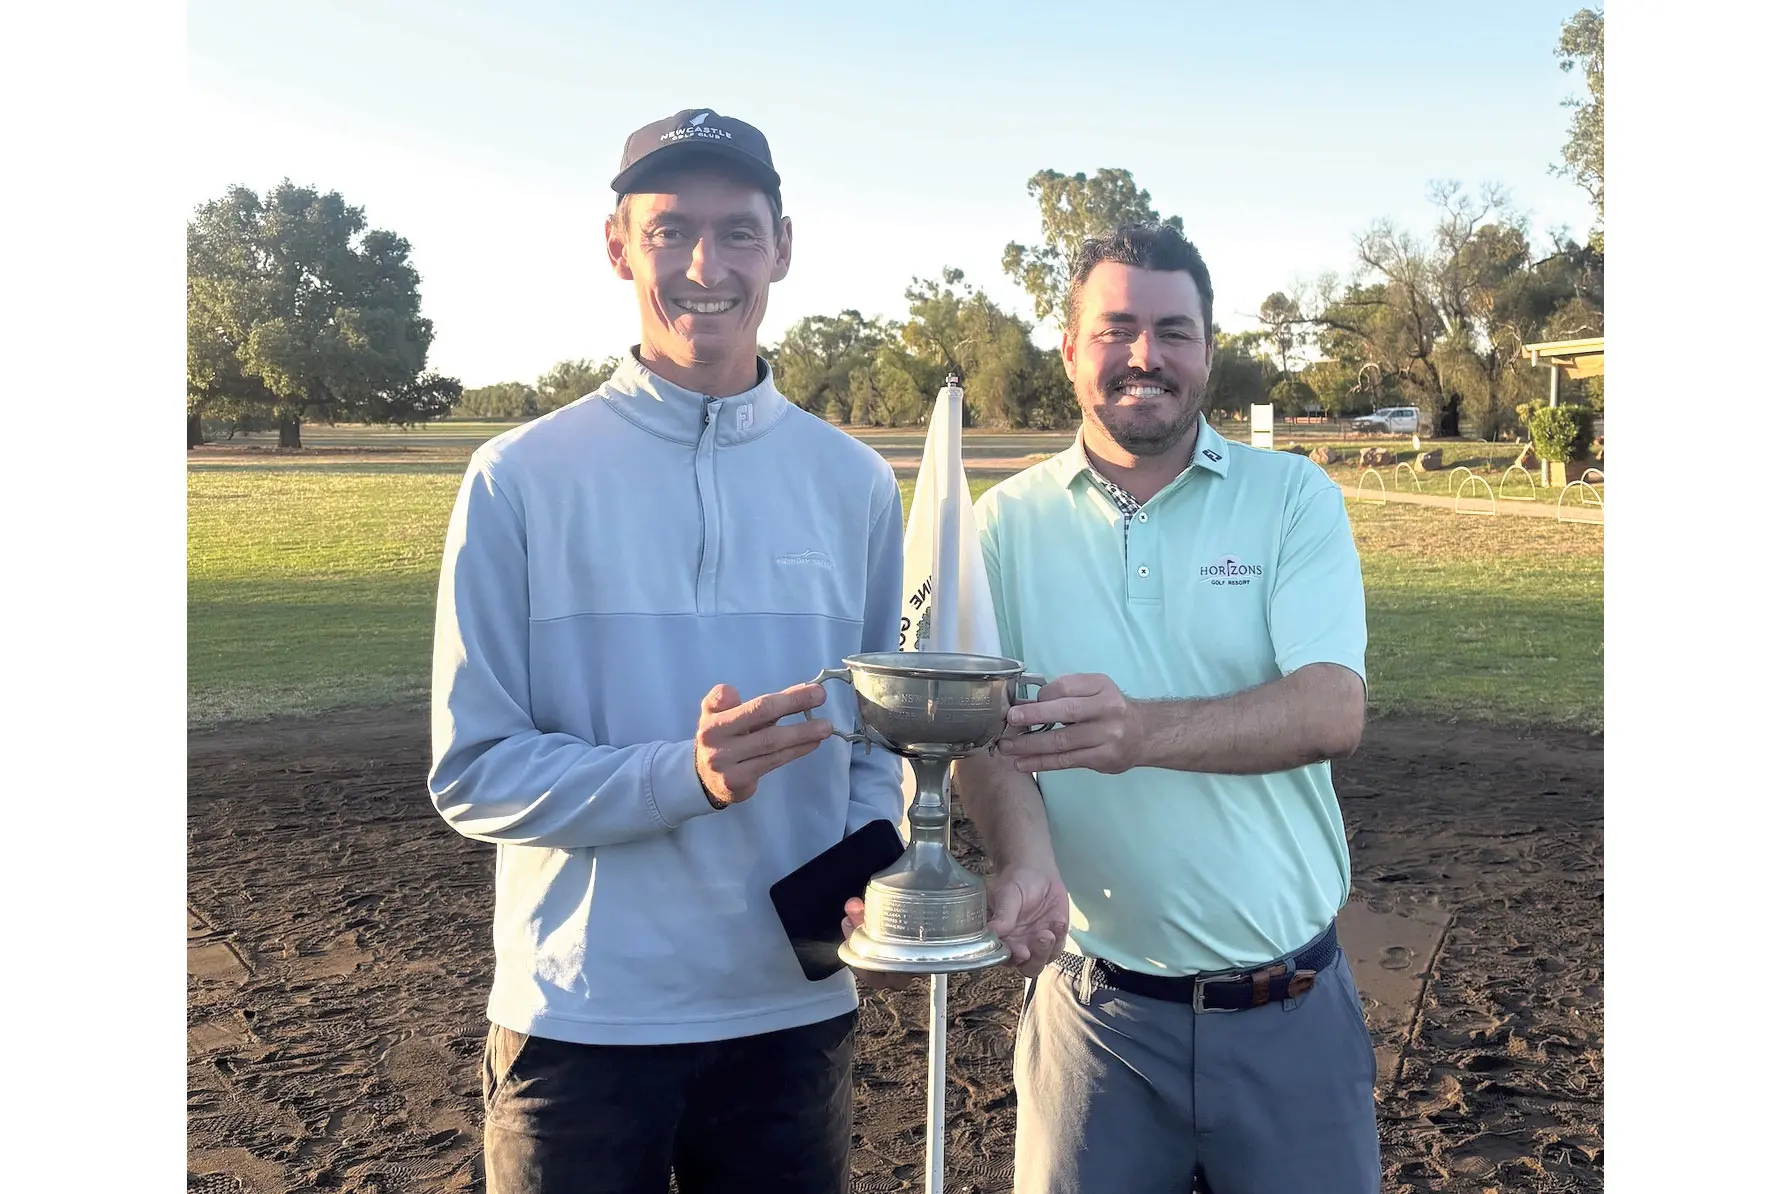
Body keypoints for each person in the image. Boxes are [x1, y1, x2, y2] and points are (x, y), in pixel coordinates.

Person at [427, 107, 909, 1194]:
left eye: (738, 231)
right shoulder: (519, 478)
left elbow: (879, 743)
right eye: (669, 230)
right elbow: (474, 769)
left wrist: (870, 866)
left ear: (783, 246)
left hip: (794, 1016)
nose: (706, 265)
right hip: (580, 1022)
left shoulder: (856, 483)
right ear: (617, 245)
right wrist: (680, 776)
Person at [955, 222, 1381, 1193]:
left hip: (1290, 1012)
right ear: (1069, 350)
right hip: (1096, 1025)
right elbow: (989, 736)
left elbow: (1331, 707)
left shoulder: (1291, 498)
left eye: (1173, 331)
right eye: (1115, 329)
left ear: (1208, 351)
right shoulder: (1003, 526)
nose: (1145, 355)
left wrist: (1139, 732)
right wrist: (1027, 860)